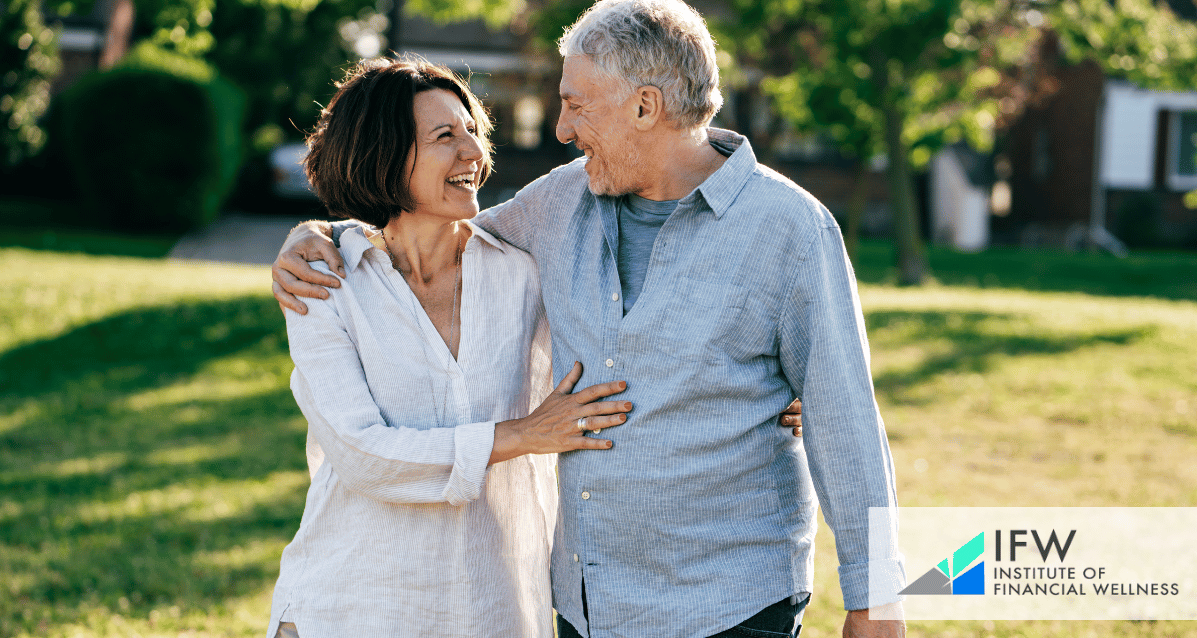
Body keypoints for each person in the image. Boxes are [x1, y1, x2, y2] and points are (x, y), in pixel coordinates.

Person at [273, 1, 905, 636]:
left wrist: (876, 601)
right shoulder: (558, 203)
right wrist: (319, 233)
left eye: (577, 104)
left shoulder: (788, 229)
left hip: (729, 606)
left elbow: (845, 421)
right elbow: (425, 233)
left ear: (644, 107)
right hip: (589, 608)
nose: (562, 129)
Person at [266, 57, 637, 638]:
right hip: (348, 608)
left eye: (472, 132)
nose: (473, 153)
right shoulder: (325, 284)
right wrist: (523, 435)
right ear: (384, 154)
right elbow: (365, 456)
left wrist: (766, 391)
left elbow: (630, 353)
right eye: (445, 137)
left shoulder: (526, 276)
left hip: (493, 611)